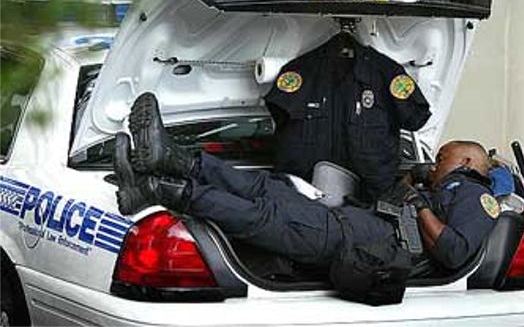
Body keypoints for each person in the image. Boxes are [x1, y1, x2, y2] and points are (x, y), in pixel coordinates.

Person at [115, 92, 499, 271]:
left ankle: (160, 189)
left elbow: (453, 251)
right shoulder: (443, 185)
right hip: (353, 223)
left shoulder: (473, 194)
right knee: (267, 189)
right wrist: (415, 184)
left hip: (363, 242)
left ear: (466, 162)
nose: (434, 164)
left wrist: (418, 206)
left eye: (442, 158)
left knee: (262, 217)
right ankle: (174, 160)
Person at [264, 33, 432, 203]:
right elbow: (279, 115)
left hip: (371, 202)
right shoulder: (299, 72)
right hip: (302, 198)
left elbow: (416, 118)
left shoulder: (386, 73)